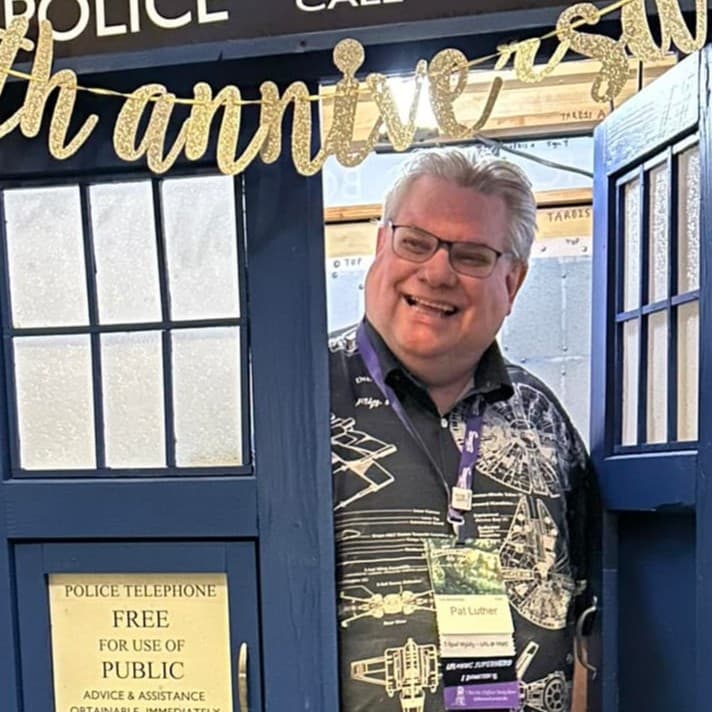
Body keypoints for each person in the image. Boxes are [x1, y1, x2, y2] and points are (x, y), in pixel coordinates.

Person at [329, 147, 598, 712]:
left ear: (513, 282)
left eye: (471, 256)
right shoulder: (299, 402)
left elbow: (592, 611)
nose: (436, 273)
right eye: (415, 242)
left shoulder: (542, 420)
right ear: (381, 246)